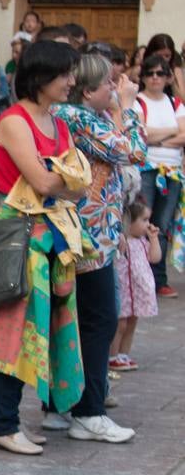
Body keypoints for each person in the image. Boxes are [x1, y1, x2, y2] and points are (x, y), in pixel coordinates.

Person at [0, 40, 90, 455]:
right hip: (18, 239)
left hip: (47, 239)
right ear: (41, 77)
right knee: (13, 332)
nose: (72, 81)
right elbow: (45, 182)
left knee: (39, 332)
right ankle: (1, 424)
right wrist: (66, 179)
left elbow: (76, 185)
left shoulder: (56, 122)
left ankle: (10, 419)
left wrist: (64, 181)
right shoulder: (15, 122)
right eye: (65, 74)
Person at [44, 50, 144, 440]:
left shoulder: (84, 117)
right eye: (108, 84)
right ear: (86, 90)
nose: (114, 90)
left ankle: (61, 405)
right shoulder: (79, 118)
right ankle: (89, 411)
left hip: (94, 232)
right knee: (98, 318)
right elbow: (132, 149)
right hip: (85, 236)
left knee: (74, 316)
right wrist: (130, 107)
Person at [136, 52, 185, 297]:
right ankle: (139, 275)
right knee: (141, 221)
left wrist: (157, 138)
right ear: (143, 77)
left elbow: (184, 135)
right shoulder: (137, 101)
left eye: (160, 73)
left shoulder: (175, 103)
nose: (155, 78)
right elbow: (141, 135)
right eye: (150, 73)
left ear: (168, 78)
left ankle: (159, 279)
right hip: (146, 169)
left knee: (162, 225)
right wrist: (172, 132)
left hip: (172, 172)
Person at [111, 201, 160, 370]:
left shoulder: (142, 242)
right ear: (129, 221)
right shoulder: (121, 241)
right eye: (144, 220)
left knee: (132, 322)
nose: (148, 224)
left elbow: (155, 258)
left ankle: (124, 354)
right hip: (124, 289)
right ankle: (113, 355)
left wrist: (154, 239)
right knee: (121, 322)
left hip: (136, 292)